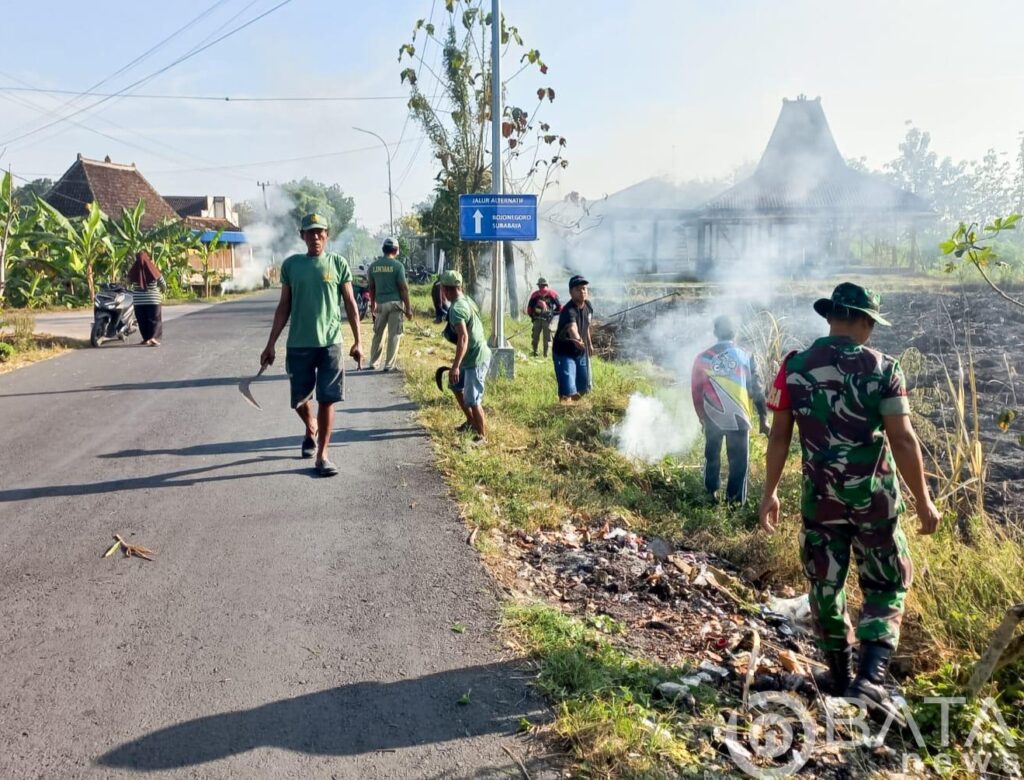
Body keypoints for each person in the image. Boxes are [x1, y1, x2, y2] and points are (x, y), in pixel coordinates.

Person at [759, 283, 941, 718]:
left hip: (820, 496)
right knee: (886, 581)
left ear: (830, 317)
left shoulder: (794, 366)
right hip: (873, 498)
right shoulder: (884, 368)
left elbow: (779, 434)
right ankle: (869, 679)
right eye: (871, 323)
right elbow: (901, 437)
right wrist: (924, 499)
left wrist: (769, 493)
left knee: (825, 582)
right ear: (861, 320)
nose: (872, 332)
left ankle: (838, 673)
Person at [260, 213, 364, 477]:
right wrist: (270, 343)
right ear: (302, 235)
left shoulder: (338, 264)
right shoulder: (291, 266)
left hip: (330, 344)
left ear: (327, 234)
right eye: (310, 232)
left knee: (327, 399)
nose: (315, 237)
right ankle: (311, 427)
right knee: (299, 400)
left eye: (320, 232)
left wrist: (358, 341)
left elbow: (351, 304)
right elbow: (284, 306)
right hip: (299, 344)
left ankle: (323, 455)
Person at [691, 315, 768, 504]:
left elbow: (696, 391)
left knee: (712, 457)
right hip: (739, 417)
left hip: (712, 416)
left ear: (715, 333)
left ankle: (710, 495)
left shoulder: (703, 357)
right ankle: (734, 502)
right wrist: (764, 418)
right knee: (739, 464)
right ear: (736, 333)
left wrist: (702, 417)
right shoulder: (746, 356)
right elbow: (756, 389)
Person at [440, 269, 490, 442]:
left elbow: (463, 338)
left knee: (473, 398)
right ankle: (470, 421)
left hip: (476, 357)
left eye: (443, 289)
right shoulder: (466, 300)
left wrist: (455, 366)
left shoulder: (457, 309)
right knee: (455, 386)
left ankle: (482, 436)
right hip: (472, 354)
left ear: (447, 290)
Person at [367, 238, 413, 372]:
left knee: (378, 334)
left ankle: (373, 363)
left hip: (380, 305)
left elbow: (371, 288)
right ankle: (389, 365)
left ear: (383, 249)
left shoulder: (373, 266)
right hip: (395, 305)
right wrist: (408, 308)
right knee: (394, 334)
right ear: (396, 250)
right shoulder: (398, 266)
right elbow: (403, 288)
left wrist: (372, 305)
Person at [552, 275, 594, 403]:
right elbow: (572, 328)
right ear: (571, 292)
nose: (582, 291)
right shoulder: (568, 310)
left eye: (584, 288)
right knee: (568, 389)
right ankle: (563, 409)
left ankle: (577, 411)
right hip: (564, 353)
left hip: (580, 353)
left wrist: (589, 344)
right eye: (578, 289)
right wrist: (577, 340)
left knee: (583, 387)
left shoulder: (588, 306)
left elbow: (585, 326)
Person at [127, 250, 167, 347]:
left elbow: (127, 283)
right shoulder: (153, 269)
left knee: (142, 320)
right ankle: (154, 338)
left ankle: (146, 339)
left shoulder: (134, 270)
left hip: (138, 301)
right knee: (155, 319)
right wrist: (163, 290)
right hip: (153, 299)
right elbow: (162, 283)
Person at [526, 277, 562, 357]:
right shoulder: (553, 294)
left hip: (537, 320)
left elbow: (529, 309)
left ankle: (535, 352)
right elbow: (560, 308)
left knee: (535, 337)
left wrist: (533, 317)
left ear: (539, 285)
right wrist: (552, 313)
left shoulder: (534, 295)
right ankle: (545, 355)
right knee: (547, 339)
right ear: (546, 285)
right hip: (547, 320)